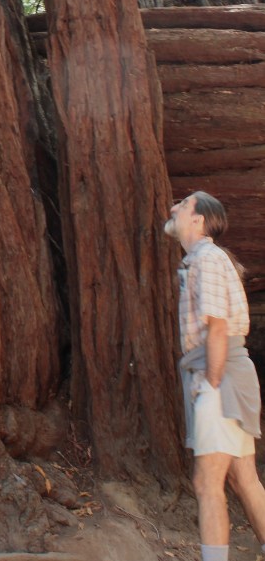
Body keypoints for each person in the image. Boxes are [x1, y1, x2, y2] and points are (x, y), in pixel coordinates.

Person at [165, 190, 265, 561]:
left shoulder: (206, 260)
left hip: (219, 376)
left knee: (207, 482)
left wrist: (209, 382)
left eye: (183, 204)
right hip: (228, 375)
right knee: (244, 480)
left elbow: (218, 327)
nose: (174, 208)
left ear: (198, 219)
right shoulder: (201, 261)